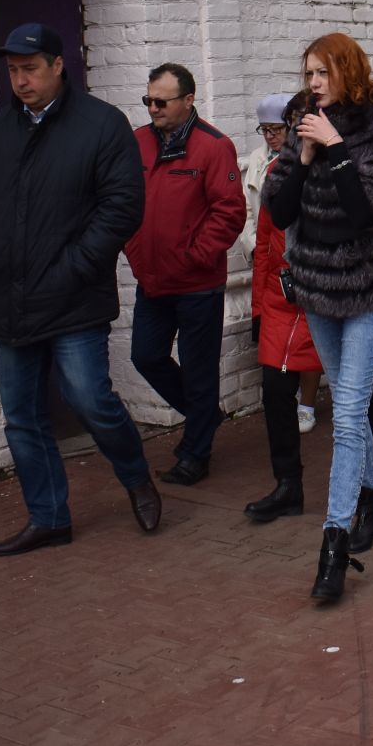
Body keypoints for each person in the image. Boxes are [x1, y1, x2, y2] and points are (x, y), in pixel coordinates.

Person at [0, 23, 160, 557]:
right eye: (12, 71)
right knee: (22, 415)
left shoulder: (101, 125)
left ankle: (136, 475)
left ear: (57, 65)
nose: (20, 80)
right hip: (8, 298)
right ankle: (48, 517)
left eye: (29, 69)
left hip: (73, 296)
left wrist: (74, 266)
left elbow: (121, 207)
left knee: (90, 399)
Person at [264, 33, 373, 604]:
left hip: (369, 290)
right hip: (317, 289)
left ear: (348, 71)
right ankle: (372, 497)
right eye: (307, 74)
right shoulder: (303, 120)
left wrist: (338, 149)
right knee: (347, 405)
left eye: (323, 73)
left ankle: (333, 546)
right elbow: (279, 210)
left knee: (348, 416)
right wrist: (303, 159)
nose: (314, 84)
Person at [124, 62, 247, 487]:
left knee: (198, 371)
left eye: (162, 101)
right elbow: (121, 199)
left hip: (197, 283)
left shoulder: (214, 146)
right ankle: (205, 416)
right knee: (145, 355)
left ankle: (196, 454)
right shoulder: (136, 142)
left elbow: (229, 212)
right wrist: (133, 247)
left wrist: (195, 255)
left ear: (188, 99)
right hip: (152, 279)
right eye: (148, 101)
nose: (153, 108)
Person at [244, 95, 322, 523]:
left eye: (302, 123)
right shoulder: (276, 174)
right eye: (290, 124)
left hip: (321, 300)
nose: (294, 131)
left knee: (360, 394)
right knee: (275, 394)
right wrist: (258, 308)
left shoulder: (337, 171)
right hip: (279, 302)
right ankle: (288, 485)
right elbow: (263, 247)